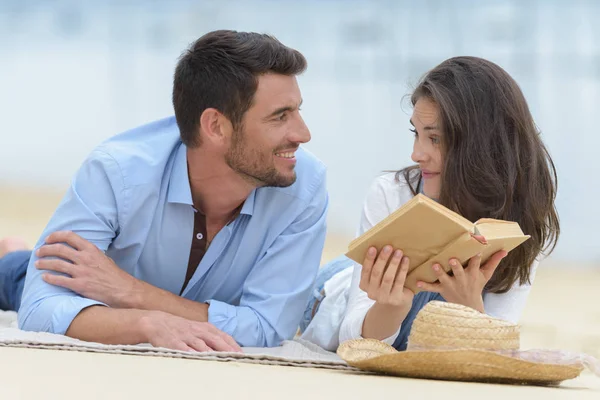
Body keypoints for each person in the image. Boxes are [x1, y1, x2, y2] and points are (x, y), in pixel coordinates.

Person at [0, 29, 329, 352]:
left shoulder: (305, 186)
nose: (303, 133)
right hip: (93, 297)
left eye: (298, 110)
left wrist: (134, 293)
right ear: (215, 126)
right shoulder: (118, 172)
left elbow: (268, 328)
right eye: (280, 116)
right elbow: (39, 306)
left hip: (118, 290)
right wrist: (146, 323)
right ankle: (12, 255)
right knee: (18, 277)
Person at [300, 56, 560, 352]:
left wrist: (469, 306)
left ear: (479, 145)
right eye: (417, 133)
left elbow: (496, 347)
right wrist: (391, 307)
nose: (416, 154)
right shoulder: (391, 194)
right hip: (332, 294)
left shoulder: (520, 217)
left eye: (434, 138)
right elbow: (352, 342)